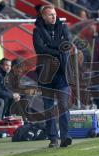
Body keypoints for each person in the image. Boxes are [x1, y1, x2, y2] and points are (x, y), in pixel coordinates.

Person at [33, 5, 72, 148]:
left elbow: (67, 44)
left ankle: (65, 136)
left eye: (54, 14)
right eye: (50, 15)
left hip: (62, 73)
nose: (54, 17)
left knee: (63, 105)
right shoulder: (37, 31)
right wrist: (57, 49)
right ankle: (53, 139)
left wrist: (50, 46)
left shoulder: (64, 27)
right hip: (45, 75)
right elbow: (40, 49)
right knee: (48, 108)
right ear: (43, 16)